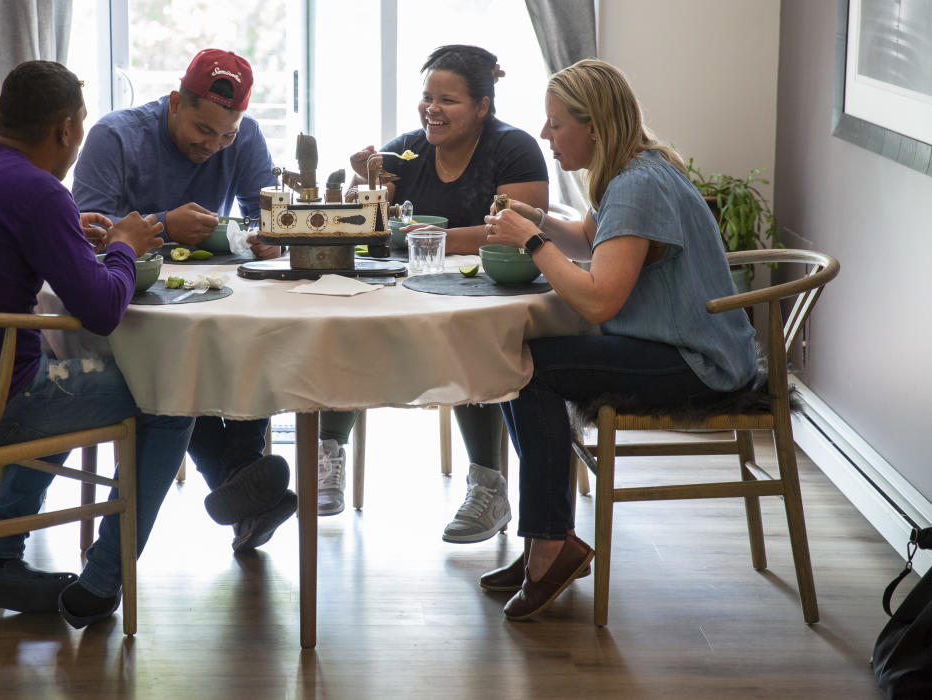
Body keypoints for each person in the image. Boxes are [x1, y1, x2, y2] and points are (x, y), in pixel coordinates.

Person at [0, 60, 195, 629]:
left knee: (52, 368)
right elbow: (102, 311)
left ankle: (0, 553)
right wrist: (126, 244)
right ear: (66, 130)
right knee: (172, 397)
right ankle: (104, 581)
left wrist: (68, 231)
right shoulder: (38, 191)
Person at [478, 59, 758, 620]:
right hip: (697, 346)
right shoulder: (641, 168)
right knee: (524, 364)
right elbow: (589, 238)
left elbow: (598, 300)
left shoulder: (636, 187)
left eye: (556, 124)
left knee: (529, 367)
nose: (544, 135)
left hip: (695, 362)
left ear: (594, 127)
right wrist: (538, 218)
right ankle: (545, 541)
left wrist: (533, 241)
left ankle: (551, 545)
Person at [316, 44, 549, 548]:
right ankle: (327, 455)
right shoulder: (407, 150)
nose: (432, 109)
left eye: (448, 100)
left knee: (472, 335)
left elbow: (521, 232)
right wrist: (365, 181)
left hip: (484, 292)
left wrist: (432, 237)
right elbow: (369, 226)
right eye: (427, 97)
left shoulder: (514, 148)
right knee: (349, 319)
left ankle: (488, 485)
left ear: (483, 105)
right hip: (409, 292)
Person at [72, 48, 295, 553]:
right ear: (175, 101)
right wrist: (162, 224)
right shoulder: (116, 136)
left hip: (206, 297)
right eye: (203, 130)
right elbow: (85, 234)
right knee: (170, 370)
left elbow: (267, 215)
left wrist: (270, 237)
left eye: (227, 134)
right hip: (126, 301)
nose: (214, 146)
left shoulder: (245, 137)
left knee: (251, 338)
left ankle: (238, 481)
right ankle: (241, 483)